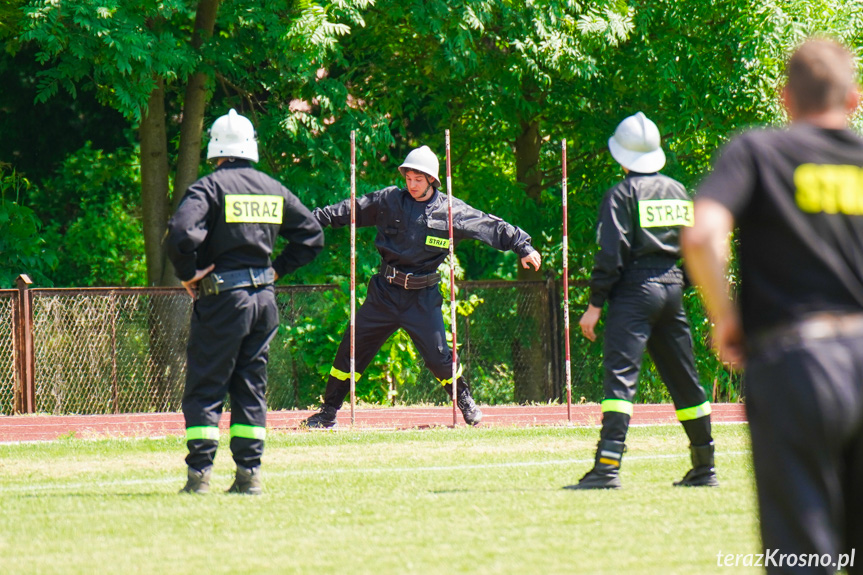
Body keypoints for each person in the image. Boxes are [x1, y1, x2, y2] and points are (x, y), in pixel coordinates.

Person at [682, 38, 863, 572]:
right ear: (854, 100)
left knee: (801, 557)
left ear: (785, 98)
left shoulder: (758, 151)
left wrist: (726, 316)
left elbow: (700, 236)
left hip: (796, 364)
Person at [303, 145, 542, 428]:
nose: (412, 184)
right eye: (408, 178)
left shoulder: (451, 211)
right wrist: (309, 221)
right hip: (384, 294)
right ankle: (328, 413)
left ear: (432, 180)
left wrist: (522, 246)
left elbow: (489, 225)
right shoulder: (388, 201)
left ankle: (465, 400)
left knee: (440, 358)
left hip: (422, 298)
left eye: (418, 179)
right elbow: (347, 209)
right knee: (350, 350)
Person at [167, 109, 324, 494]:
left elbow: (180, 233)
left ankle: (200, 477)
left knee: (206, 384)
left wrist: (189, 274)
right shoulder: (273, 188)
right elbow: (312, 235)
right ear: (250, 147)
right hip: (263, 301)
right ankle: (248, 476)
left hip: (224, 298)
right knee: (250, 385)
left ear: (215, 150)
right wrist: (277, 270)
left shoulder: (210, 188)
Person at [569, 112, 717, 490]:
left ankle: (606, 468)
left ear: (623, 157)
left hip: (634, 292)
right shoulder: (678, 191)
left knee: (620, 382)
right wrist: (677, 283)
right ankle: (705, 466)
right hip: (672, 290)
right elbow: (694, 247)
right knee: (686, 382)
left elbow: (611, 254)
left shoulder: (621, 194)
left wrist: (595, 304)